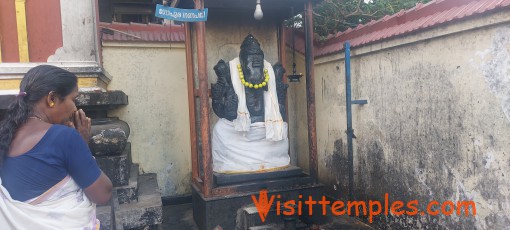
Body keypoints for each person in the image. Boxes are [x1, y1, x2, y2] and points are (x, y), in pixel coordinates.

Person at [0, 65, 112, 229]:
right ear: (51, 98)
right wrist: (82, 144)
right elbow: (103, 194)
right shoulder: (65, 138)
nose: (75, 108)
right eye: (73, 99)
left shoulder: (5, 136)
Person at [211, 34, 290, 173]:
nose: (255, 60)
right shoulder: (227, 71)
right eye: (250, 57)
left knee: (281, 128)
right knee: (220, 129)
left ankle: (268, 161)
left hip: (266, 129)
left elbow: (280, 108)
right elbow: (217, 104)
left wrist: (280, 108)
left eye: (258, 57)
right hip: (238, 131)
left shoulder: (272, 72)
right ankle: (235, 164)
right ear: (242, 60)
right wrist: (229, 110)